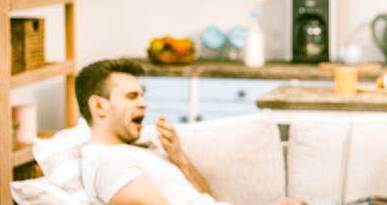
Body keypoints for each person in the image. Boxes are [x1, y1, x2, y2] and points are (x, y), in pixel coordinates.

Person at [76, 59, 302, 205]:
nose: (144, 104)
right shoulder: (108, 161)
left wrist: (178, 157)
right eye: (132, 96)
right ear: (98, 106)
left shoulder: (134, 149)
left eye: (142, 95)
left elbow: (205, 197)